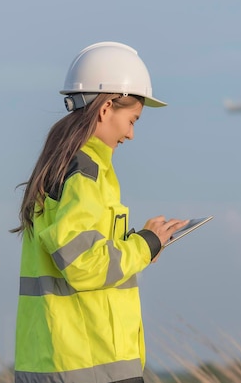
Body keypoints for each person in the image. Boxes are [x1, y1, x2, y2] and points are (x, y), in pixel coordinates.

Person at [10, 41, 188, 383]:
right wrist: (142, 246)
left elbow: (79, 247)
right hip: (87, 363)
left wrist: (143, 243)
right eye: (132, 119)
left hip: (59, 360)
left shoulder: (67, 166)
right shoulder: (84, 173)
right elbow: (82, 264)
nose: (132, 134)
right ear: (106, 108)